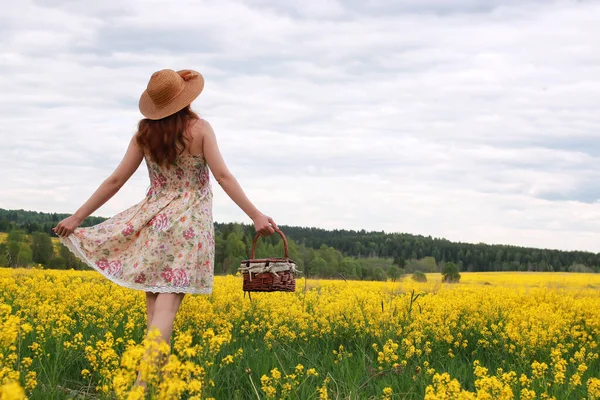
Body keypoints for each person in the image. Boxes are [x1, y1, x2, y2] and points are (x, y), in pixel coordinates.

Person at [52, 68, 277, 385]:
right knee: (167, 307)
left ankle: (154, 377)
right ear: (185, 99)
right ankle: (143, 383)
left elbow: (116, 180)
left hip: (155, 221)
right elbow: (224, 177)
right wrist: (255, 214)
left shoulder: (144, 134)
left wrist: (78, 217)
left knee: (155, 307)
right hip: (188, 225)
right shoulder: (199, 129)